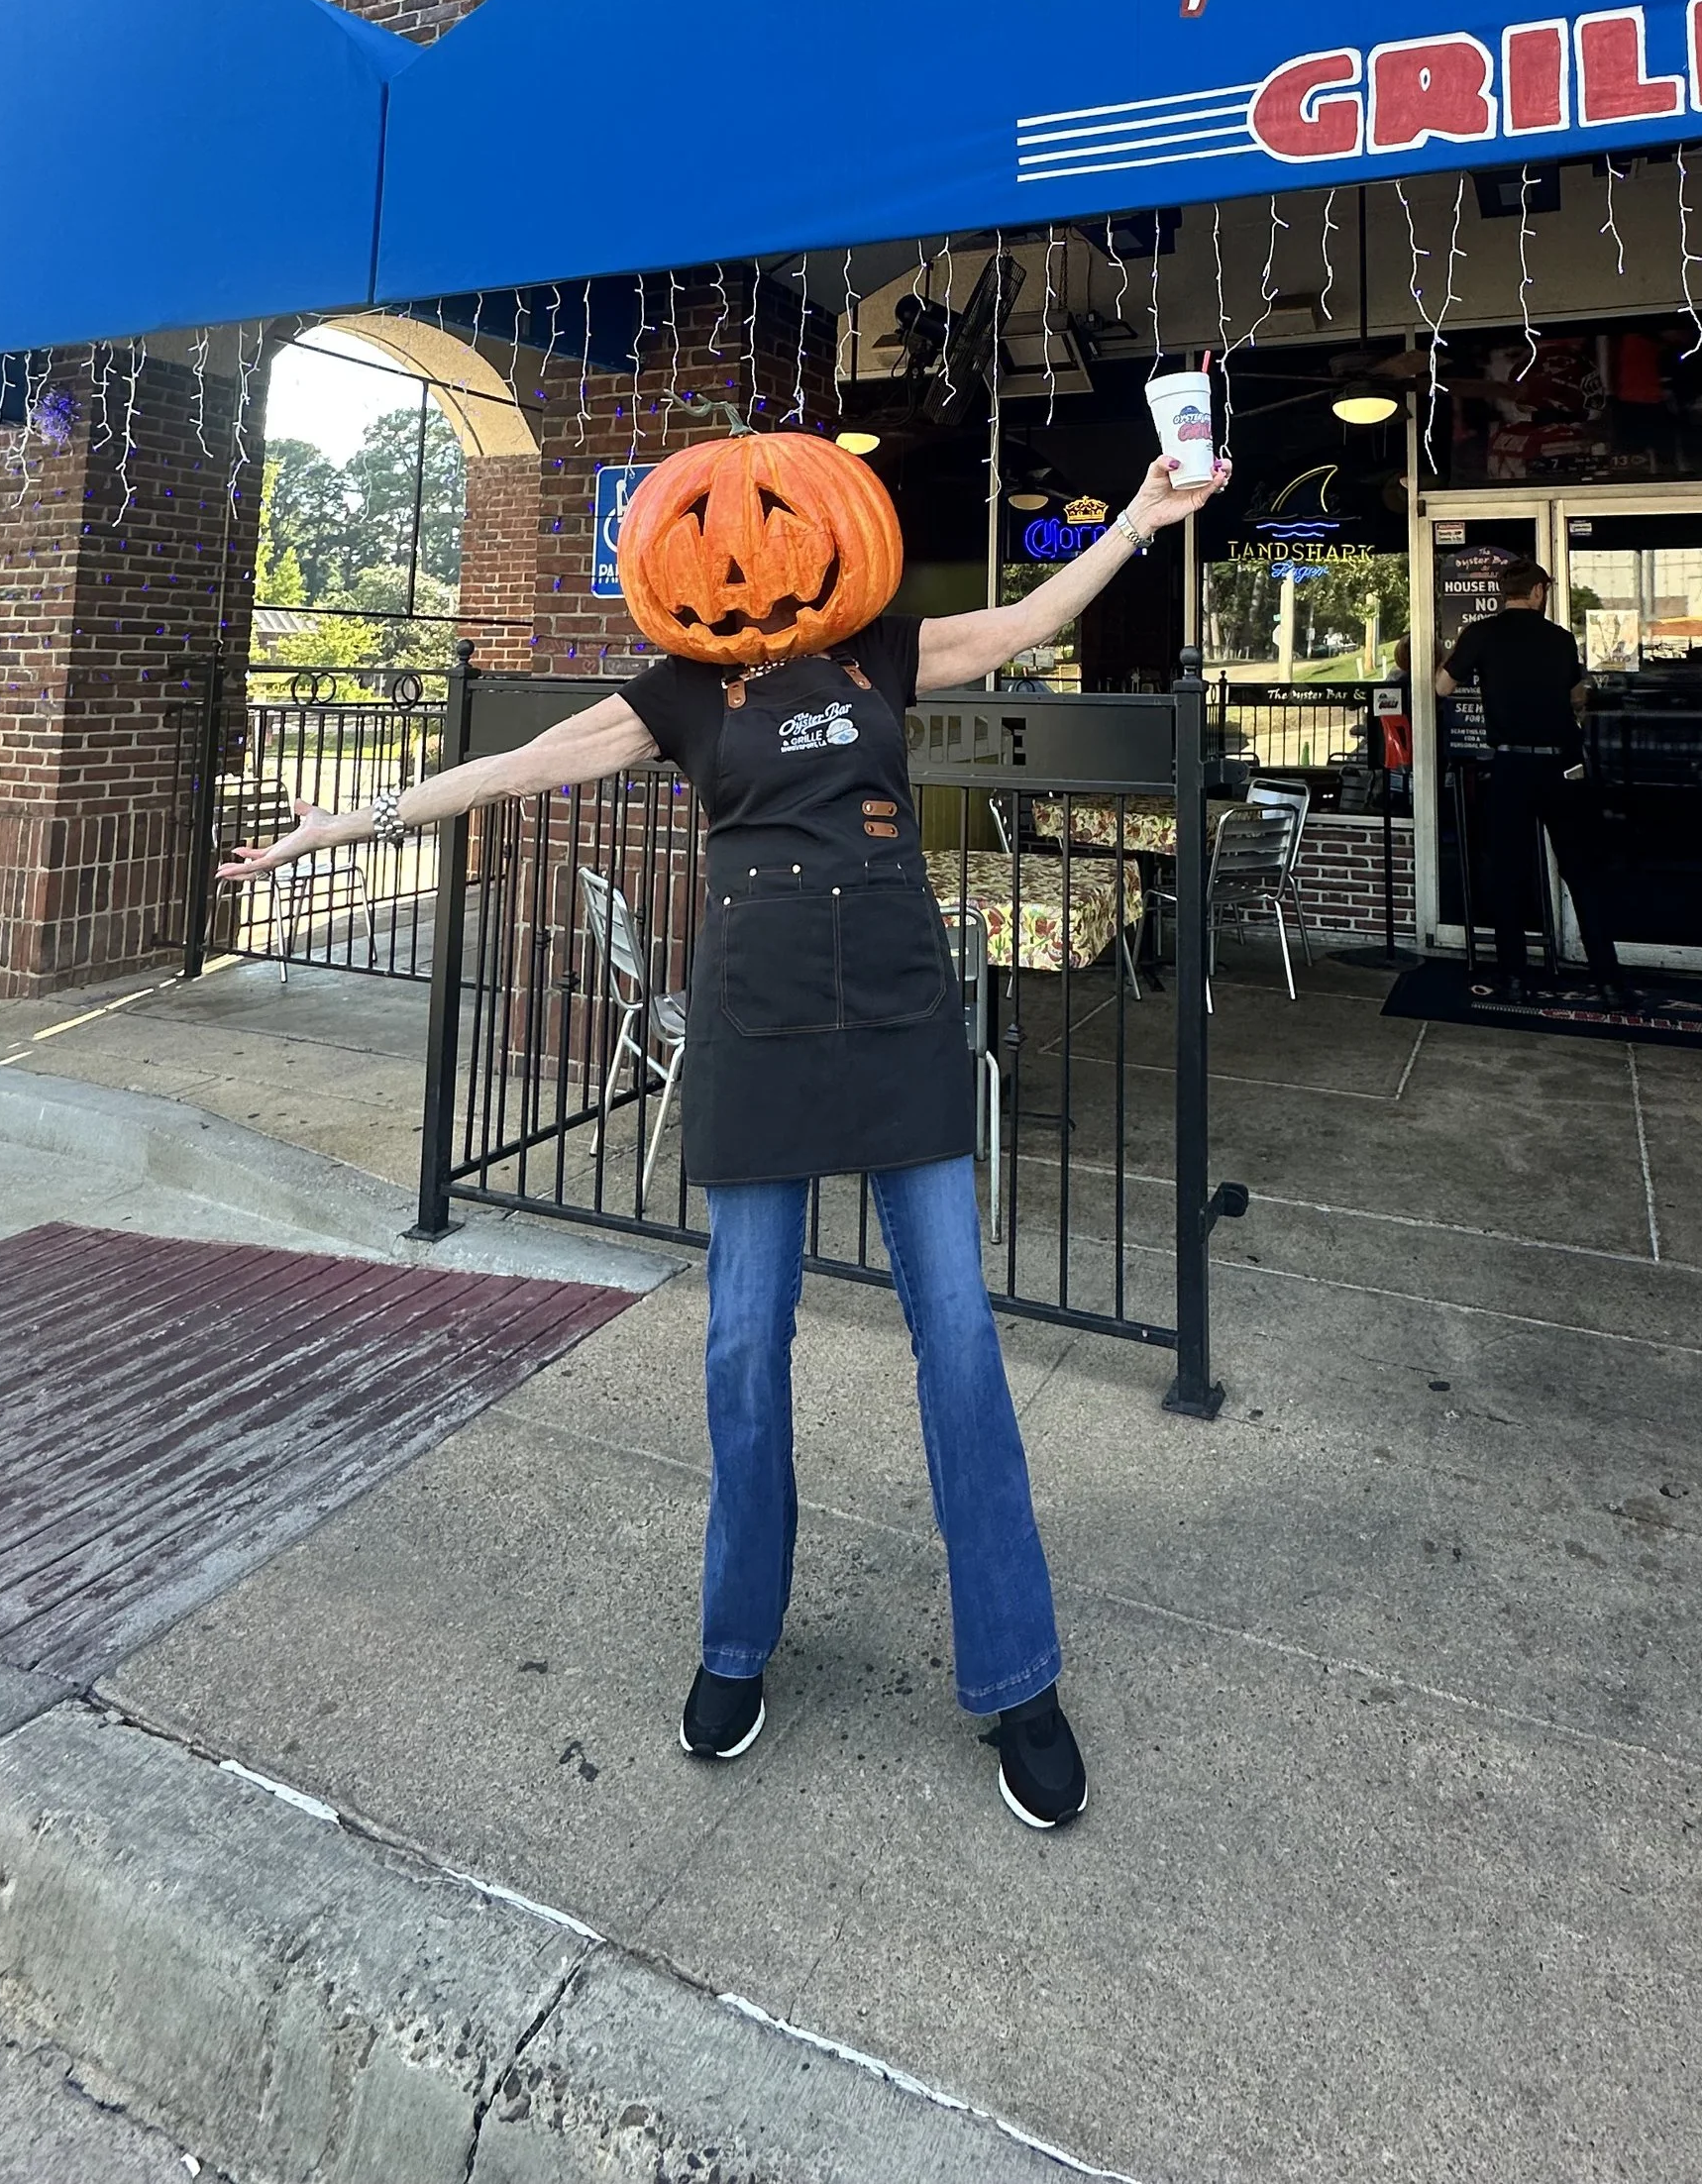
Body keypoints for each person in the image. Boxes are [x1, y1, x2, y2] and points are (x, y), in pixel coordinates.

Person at [221, 434, 1228, 1831]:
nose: (749, 560)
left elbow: (1031, 623)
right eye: (716, 537)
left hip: (894, 1005)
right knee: (745, 1342)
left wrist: (1141, 513)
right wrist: (350, 821)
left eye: (773, 531)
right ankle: (736, 1643)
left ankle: (1017, 1673)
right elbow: (519, 767)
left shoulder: (880, 647)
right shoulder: (680, 689)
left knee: (962, 1337)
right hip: (754, 1023)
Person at [1434, 556, 1626, 997]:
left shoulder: (1481, 633)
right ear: (1538, 592)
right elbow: (1577, 696)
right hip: (1560, 764)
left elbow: (1442, 687)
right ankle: (1608, 979)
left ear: (1507, 592)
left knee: (1506, 872)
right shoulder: (1560, 639)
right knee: (1580, 871)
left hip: (1510, 764)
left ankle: (1514, 977)